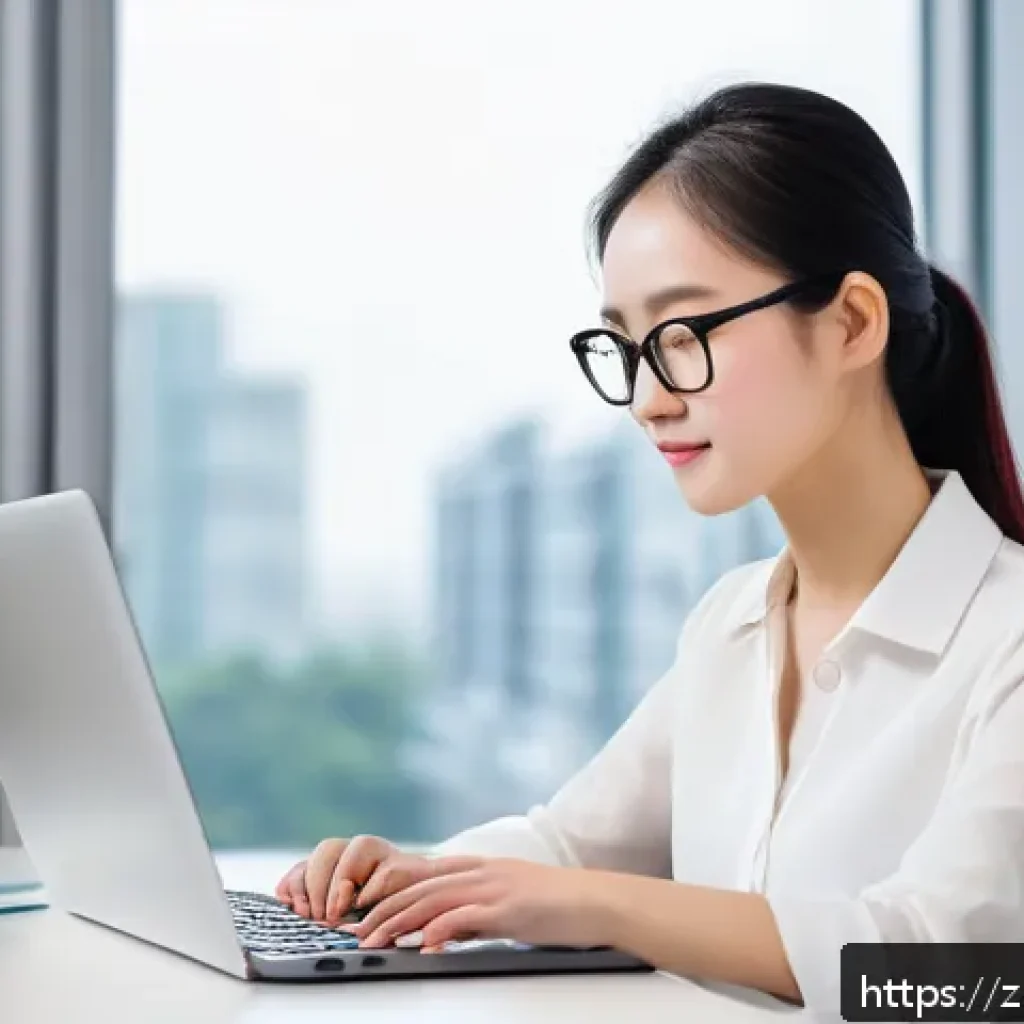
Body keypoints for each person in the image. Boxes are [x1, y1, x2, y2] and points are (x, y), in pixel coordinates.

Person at [275, 83, 1024, 1013]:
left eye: (682, 335)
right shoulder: (732, 622)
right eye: (626, 346)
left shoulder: (1008, 642)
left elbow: (958, 976)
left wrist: (602, 903)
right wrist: (411, 879)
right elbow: (568, 848)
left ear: (853, 323)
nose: (647, 398)